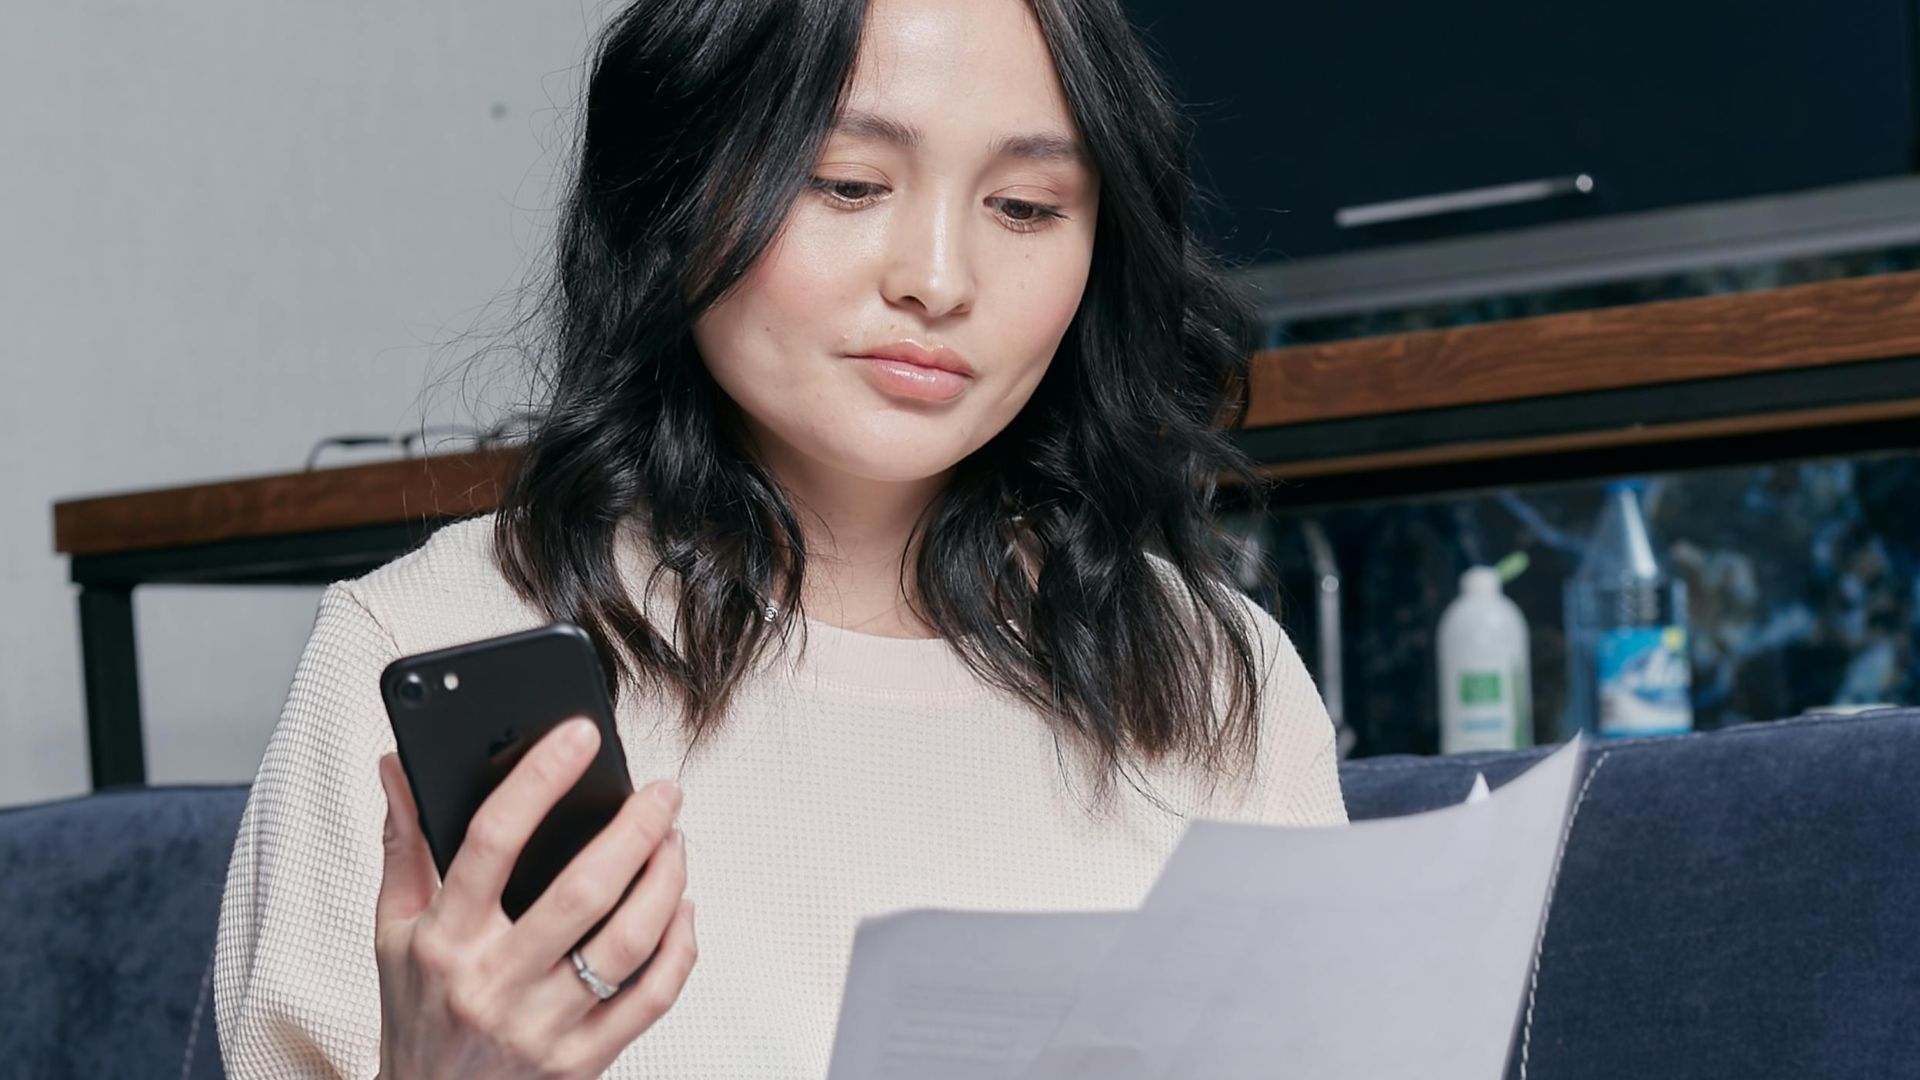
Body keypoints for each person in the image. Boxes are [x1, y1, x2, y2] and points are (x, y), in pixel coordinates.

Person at [212, 0, 1347, 1075]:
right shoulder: (424, 636)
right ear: (677, 189)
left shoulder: (1213, 679)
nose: (939, 281)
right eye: (848, 184)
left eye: (1025, 208)